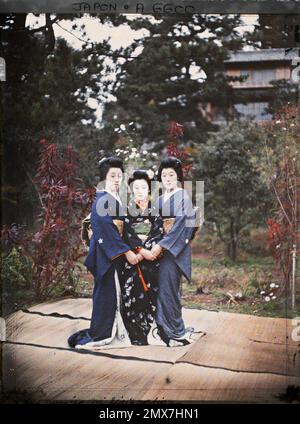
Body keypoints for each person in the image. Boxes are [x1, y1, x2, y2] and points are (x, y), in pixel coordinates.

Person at [68, 156, 140, 349]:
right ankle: (102, 334)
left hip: (112, 252)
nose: (117, 179)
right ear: (104, 178)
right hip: (105, 254)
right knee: (106, 294)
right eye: (112, 175)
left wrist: (138, 247)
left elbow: (125, 228)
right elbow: (105, 229)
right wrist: (126, 252)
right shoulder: (101, 199)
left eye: (119, 175)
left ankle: (114, 331)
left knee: (114, 293)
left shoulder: (114, 198)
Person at [150, 157, 196, 347]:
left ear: (178, 176)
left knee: (169, 290)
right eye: (164, 175)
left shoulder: (183, 197)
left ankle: (174, 331)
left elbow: (181, 226)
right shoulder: (160, 199)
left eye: (171, 174)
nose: (167, 178)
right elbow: (152, 222)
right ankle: (161, 328)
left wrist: (162, 246)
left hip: (172, 252)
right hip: (157, 248)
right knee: (157, 288)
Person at [119, 169, 163, 345]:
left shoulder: (155, 210)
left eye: (143, 187)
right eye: (136, 187)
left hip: (151, 261)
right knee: (132, 295)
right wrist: (141, 250)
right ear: (131, 189)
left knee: (150, 296)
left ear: (149, 189)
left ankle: (148, 333)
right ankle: (134, 334)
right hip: (134, 260)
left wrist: (150, 251)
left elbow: (158, 231)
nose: (139, 190)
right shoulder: (126, 211)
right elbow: (126, 234)